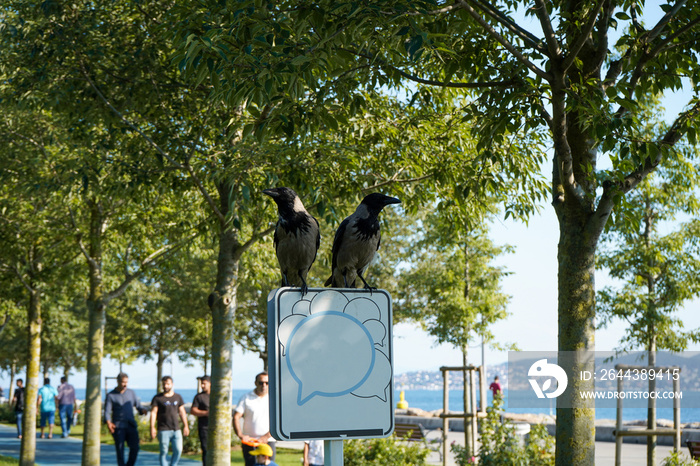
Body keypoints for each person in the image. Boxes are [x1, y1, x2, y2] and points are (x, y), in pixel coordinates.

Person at [105, 372, 149, 466]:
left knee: (135, 448)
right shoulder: (111, 395)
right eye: (123, 382)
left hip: (131, 425)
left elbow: (138, 406)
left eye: (126, 382)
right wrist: (109, 423)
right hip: (118, 426)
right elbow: (107, 411)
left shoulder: (131, 393)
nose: (125, 384)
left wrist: (143, 410)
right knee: (120, 450)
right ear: (118, 381)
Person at [234, 372, 276, 466]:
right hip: (249, 442)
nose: (264, 385)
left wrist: (266, 436)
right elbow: (236, 416)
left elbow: (279, 421)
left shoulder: (274, 398)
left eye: (267, 383)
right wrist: (241, 435)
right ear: (255, 383)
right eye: (261, 383)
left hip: (268, 441)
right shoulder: (246, 398)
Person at [151, 376, 190, 466]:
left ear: (172, 384)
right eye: (164, 384)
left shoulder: (178, 397)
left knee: (178, 450)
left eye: (168, 384)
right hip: (163, 429)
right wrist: (152, 427)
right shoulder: (157, 398)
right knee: (164, 451)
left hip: (176, 429)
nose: (166, 386)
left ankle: (173, 464)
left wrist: (186, 426)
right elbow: (153, 413)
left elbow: (182, 412)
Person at [190, 376, 211, 466]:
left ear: (210, 383)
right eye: (201, 383)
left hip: (216, 427)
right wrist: (206, 413)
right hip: (204, 427)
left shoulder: (216, 395)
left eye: (204, 383)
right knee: (205, 449)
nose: (202, 385)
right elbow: (193, 410)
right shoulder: (199, 397)